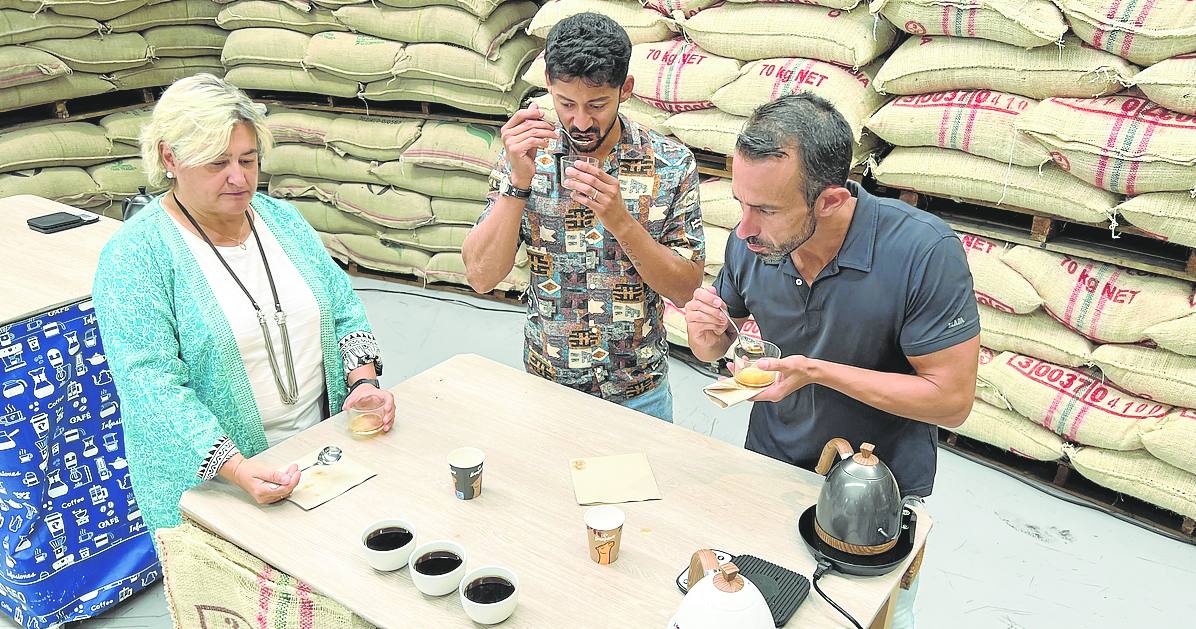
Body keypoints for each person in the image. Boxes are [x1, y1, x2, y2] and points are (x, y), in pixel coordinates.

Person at [682, 93, 981, 627]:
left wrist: (814, 370)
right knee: (758, 609)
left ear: (832, 200)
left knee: (865, 617)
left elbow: (951, 400)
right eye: (741, 203)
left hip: (873, 491)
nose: (744, 227)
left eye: (766, 209)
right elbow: (719, 346)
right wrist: (705, 334)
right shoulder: (752, 243)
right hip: (769, 466)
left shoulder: (923, 252)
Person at [92, 74, 395, 536]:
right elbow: (150, 384)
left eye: (247, 160)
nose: (238, 178)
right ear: (169, 158)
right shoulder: (137, 255)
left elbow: (341, 304)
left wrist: (362, 381)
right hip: (217, 483)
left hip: (320, 454)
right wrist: (234, 467)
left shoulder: (281, 220)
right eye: (217, 163)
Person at [462, 13, 705, 422]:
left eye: (597, 105)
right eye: (565, 104)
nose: (580, 121)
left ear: (625, 90)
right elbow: (481, 276)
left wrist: (622, 223)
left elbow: (685, 290)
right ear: (549, 87)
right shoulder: (527, 153)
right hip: (547, 384)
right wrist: (518, 182)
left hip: (638, 392)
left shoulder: (669, 164)